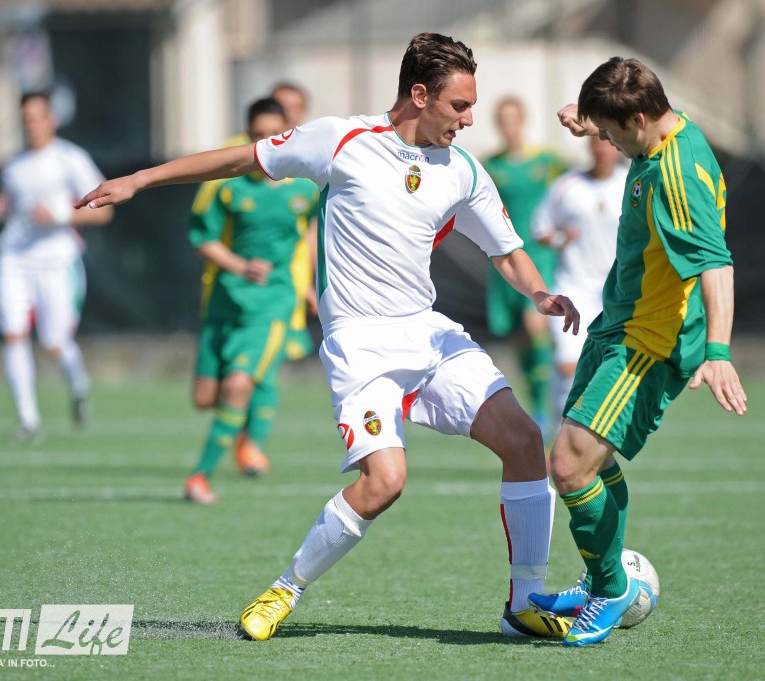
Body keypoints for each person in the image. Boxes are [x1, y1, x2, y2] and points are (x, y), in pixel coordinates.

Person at [77, 32, 581, 641]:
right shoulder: (341, 141)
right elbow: (239, 160)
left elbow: (508, 250)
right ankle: (285, 588)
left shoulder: (463, 171)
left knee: (524, 441)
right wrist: (139, 180)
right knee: (384, 483)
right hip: (360, 345)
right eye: (459, 105)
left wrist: (540, 294)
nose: (469, 119)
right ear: (420, 95)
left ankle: (524, 604)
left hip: (427, 333)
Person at [526, 57, 748, 647]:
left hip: (650, 341)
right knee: (587, 462)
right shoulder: (663, 131)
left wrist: (719, 350)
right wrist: (594, 121)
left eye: (613, 133)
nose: (609, 144)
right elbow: (630, 126)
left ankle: (609, 588)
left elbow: (716, 263)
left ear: (641, 119)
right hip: (617, 324)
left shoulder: (677, 175)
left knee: (568, 464)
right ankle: (603, 579)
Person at [183, 97, 319, 504]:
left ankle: (201, 476)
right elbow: (201, 238)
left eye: (275, 135)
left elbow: (315, 227)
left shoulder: (305, 186)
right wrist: (239, 266)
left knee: (238, 385)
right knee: (204, 399)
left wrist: (308, 281)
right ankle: (242, 430)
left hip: (273, 305)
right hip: (225, 300)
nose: (267, 144)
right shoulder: (227, 184)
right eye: (258, 136)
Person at [0, 91, 113, 441]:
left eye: (38, 117)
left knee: (54, 343)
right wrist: (0, 205)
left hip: (57, 260)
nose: (33, 125)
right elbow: (13, 203)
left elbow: (104, 211)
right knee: (13, 334)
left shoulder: (70, 159)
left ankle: (79, 386)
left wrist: (59, 214)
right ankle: (28, 420)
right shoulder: (13, 164)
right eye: (26, 119)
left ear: (51, 119)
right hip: (14, 258)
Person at [483, 96, 568, 436]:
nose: (509, 126)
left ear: (523, 120)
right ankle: (535, 405)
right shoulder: (491, 166)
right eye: (502, 120)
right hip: (505, 259)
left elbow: (573, 188)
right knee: (519, 337)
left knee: (536, 327)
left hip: (539, 256)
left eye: (513, 118)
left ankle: (547, 408)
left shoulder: (549, 161)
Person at [531, 135, 626, 419]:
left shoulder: (630, 183)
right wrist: (561, 238)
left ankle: (590, 435)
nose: (602, 150)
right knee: (568, 365)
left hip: (618, 292)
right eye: (597, 143)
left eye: (608, 143)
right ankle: (562, 430)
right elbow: (540, 229)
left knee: (608, 368)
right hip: (574, 288)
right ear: (590, 148)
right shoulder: (567, 185)